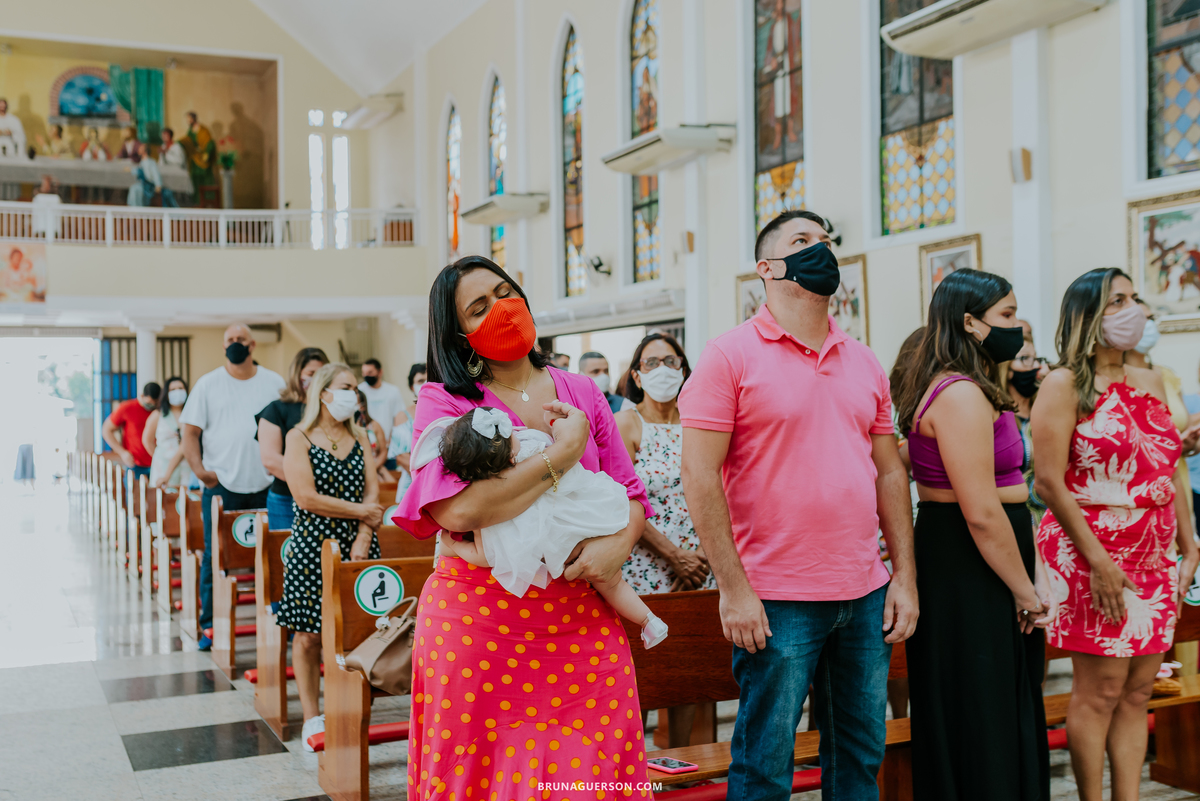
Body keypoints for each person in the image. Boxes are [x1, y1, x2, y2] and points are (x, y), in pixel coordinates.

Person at [678, 209, 918, 800]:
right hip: (776, 596)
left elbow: (889, 471)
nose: (822, 250)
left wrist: (904, 575)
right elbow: (699, 474)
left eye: (828, 241)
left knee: (860, 757)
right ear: (767, 267)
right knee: (765, 766)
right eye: (803, 241)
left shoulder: (862, 360)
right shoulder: (728, 356)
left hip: (863, 591)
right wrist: (733, 588)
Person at [393, 256, 653, 796]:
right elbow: (458, 511)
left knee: (591, 776)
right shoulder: (444, 401)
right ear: (459, 334)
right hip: (479, 625)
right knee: (482, 782)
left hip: (581, 618)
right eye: (478, 307)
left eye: (505, 292)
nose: (500, 309)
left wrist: (616, 551)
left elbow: (631, 496)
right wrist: (563, 456)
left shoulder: (582, 391)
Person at [1032, 268, 1200, 801]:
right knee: (1100, 689)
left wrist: (1190, 543)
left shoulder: (1149, 379)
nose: (1134, 310)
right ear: (1088, 316)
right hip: (1090, 551)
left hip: (1154, 552)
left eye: (1134, 298)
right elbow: (1049, 482)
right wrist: (1100, 560)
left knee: (1138, 691)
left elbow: (1165, 469)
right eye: (1117, 301)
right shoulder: (1063, 384)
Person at [894, 269, 1054, 800]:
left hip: (983, 555)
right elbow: (981, 512)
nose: (1017, 328)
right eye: (1006, 316)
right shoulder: (959, 394)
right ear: (969, 322)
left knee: (994, 701)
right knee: (981, 706)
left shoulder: (967, 386)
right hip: (969, 558)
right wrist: (1025, 591)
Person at [415, 407, 668, 645]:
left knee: (611, 583)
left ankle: (648, 623)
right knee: (613, 583)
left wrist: (452, 545)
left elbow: (484, 556)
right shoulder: (537, 447)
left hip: (556, 544)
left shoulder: (491, 500)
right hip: (586, 519)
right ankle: (649, 620)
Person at [614, 332, 713, 747]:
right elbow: (620, 499)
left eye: (670, 362)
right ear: (637, 374)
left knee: (688, 671)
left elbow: (717, 489)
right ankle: (636, 775)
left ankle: (683, 765)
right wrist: (675, 557)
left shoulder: (701, 420)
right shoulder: (628, 422)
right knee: (645, 678)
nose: (662, 371)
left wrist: (702, 558)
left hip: (699, 566)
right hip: (646, 568)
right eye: (651, 363)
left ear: (684, 370)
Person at [278, 362, 383, 749]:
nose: (353, 395)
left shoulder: (360, 436)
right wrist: (362, 513)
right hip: (312, 545)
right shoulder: (299, 437)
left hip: (358, 544)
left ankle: (352, 706)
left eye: (355, 389)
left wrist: (364, 533)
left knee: (359, 633)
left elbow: (373, 492)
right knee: (307, 635)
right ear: (323, 393)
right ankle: (311, 716)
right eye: (346, 388)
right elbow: (305, 497)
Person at [180, 324, 286, 650]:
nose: (236, 344)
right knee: (217, 556)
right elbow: (190, 432)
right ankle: (210, 625)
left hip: (267, 484)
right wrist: (201, 471)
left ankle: (281, 618)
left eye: (241, 340)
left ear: (253, 345)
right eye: (230, 341)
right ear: (223, 345)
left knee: (274, 555)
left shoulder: (273, 382)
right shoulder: (209, 384)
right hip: (222, 484)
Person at [257, 347, 329, 531]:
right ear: (298, 374)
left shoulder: (330, 410)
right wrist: (313, 482)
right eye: (311, 373)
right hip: (286, 499)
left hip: (330, 498)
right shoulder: (276, 410)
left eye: (322, 373)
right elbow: (271, 460)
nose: (317, 379)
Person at [1003, 333, 1051, 528]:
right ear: (1007, 369)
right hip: (1017, 522)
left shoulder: (1047, 411)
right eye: (1024, 359)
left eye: (1036, 359)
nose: (1033, 367)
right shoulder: (998, 417)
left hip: (1050, 521)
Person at [102, 383, 161, 481]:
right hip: (135, 464)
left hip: (158, 463)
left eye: (155, 403)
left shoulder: (160, 411)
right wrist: (122, 452)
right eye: (150, 403)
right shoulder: (127, 408)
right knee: (134, 495)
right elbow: (106, 430)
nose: (152, 406)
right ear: (142, 396)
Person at [143, 377, 193, 489]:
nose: (177, 391)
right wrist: (160, 456)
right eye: (173, 389)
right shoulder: (157, 415)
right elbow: (147, 440)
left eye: (180, 388)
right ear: (166, 394)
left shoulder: (191, 415)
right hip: (163, 467)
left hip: (187, 467)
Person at [386, 363, 426, 503]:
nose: (425, 384)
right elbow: (402, 457)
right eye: (420, 381)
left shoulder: (443, 412)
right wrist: (426, 481)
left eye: (429, 380)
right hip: (412, 483)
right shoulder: (403, 416)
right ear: (412, 386)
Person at [357, 358, 403, 460]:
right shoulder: (359, 391)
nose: (366, 376)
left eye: (370, 372)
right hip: (367, 444)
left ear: (380, 372)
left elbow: (398, 417)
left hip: (388, 444)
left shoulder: (392, 391)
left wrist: (392, 440)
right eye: (364, 373)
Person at [355, 388, 394, 484]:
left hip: (376, 465)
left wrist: (374, 468)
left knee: (389, 482)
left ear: (363, 406)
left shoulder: (374, 425)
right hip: (357, 468)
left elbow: (383, 452)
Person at [185, 112, 217, 202]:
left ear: (194, 118)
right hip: (194, 159)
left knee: (206, 180)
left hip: (203, 159)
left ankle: (208, 200)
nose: (188, 121)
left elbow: (209, 143)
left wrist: (206, 153)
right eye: (187, 119)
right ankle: (197, 201)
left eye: (189, 119)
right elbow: (188, 141)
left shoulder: (203, 130)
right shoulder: (190, 130)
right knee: (195, 180)